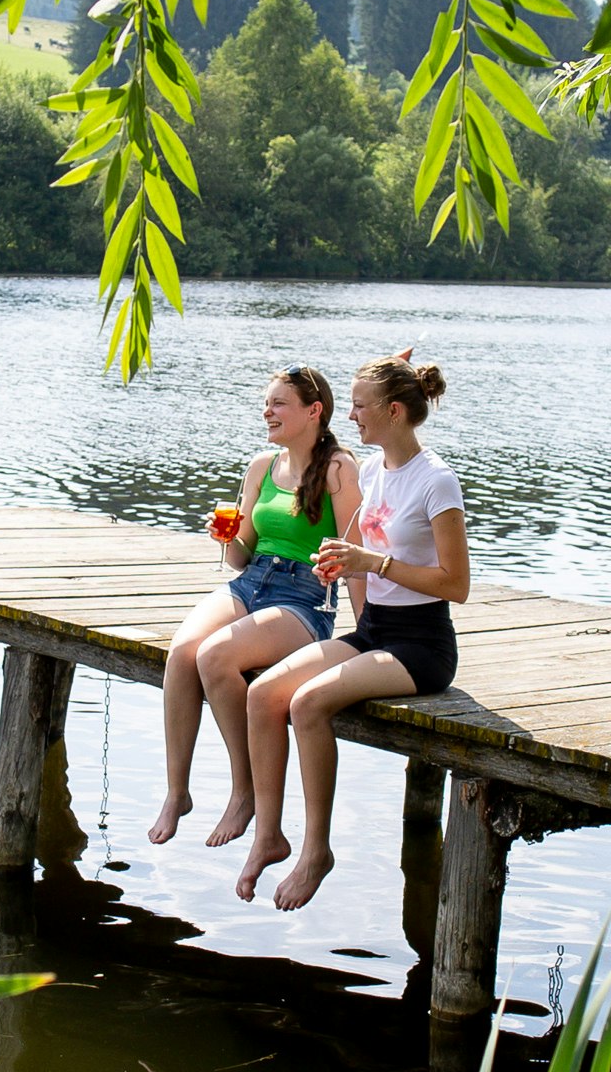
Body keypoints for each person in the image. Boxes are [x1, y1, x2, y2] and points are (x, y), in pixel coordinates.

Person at [239, 351, 465, 910]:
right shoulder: (369, 472)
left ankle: (316, 850)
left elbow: (455, 584)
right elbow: (360, 554)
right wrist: (338, 564)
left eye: (361, 406)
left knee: (308, 703)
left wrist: (372, 564)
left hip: (421, 643)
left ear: (392, 411)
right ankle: (269, 832)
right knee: (264, 692)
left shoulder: (437, 481)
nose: (353, 416)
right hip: (375, 630)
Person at [144, 366, 363, 848]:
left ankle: (244, 793)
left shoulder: (338, 468)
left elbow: (355, 558)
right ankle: (177, 792)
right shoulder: (262, 465)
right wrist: (226, 538)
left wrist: (368, 633)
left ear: (313, 411)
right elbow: (242, 552)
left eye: (279, 403)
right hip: (252, 580)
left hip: (304, 599)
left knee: (215, 656)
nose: (268, 411)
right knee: (183, 652)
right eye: (266, 402)